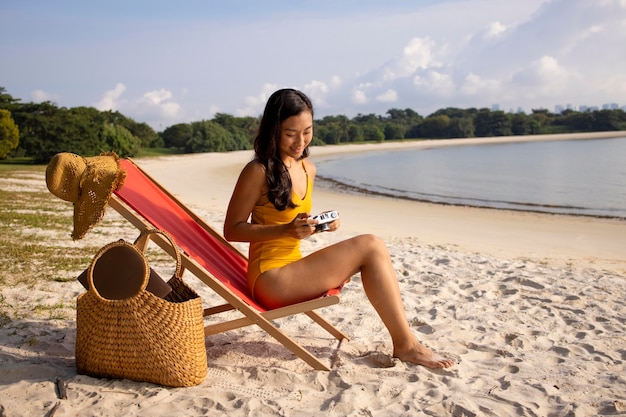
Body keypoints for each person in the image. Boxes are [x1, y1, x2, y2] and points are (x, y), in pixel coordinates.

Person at [224, 88, 454, 369]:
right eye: (290, 133)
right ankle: (406, 346)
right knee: (370, 245)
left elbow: (293, 220)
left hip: (293, 267)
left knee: (373, 247)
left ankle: (406, 343)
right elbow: (232, 230)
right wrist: (286, 231)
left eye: (307, 131)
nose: (300, 141)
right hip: (270, 280)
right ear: (273, 130)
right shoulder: (257, 171)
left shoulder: (308, 168)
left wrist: (319, 225)